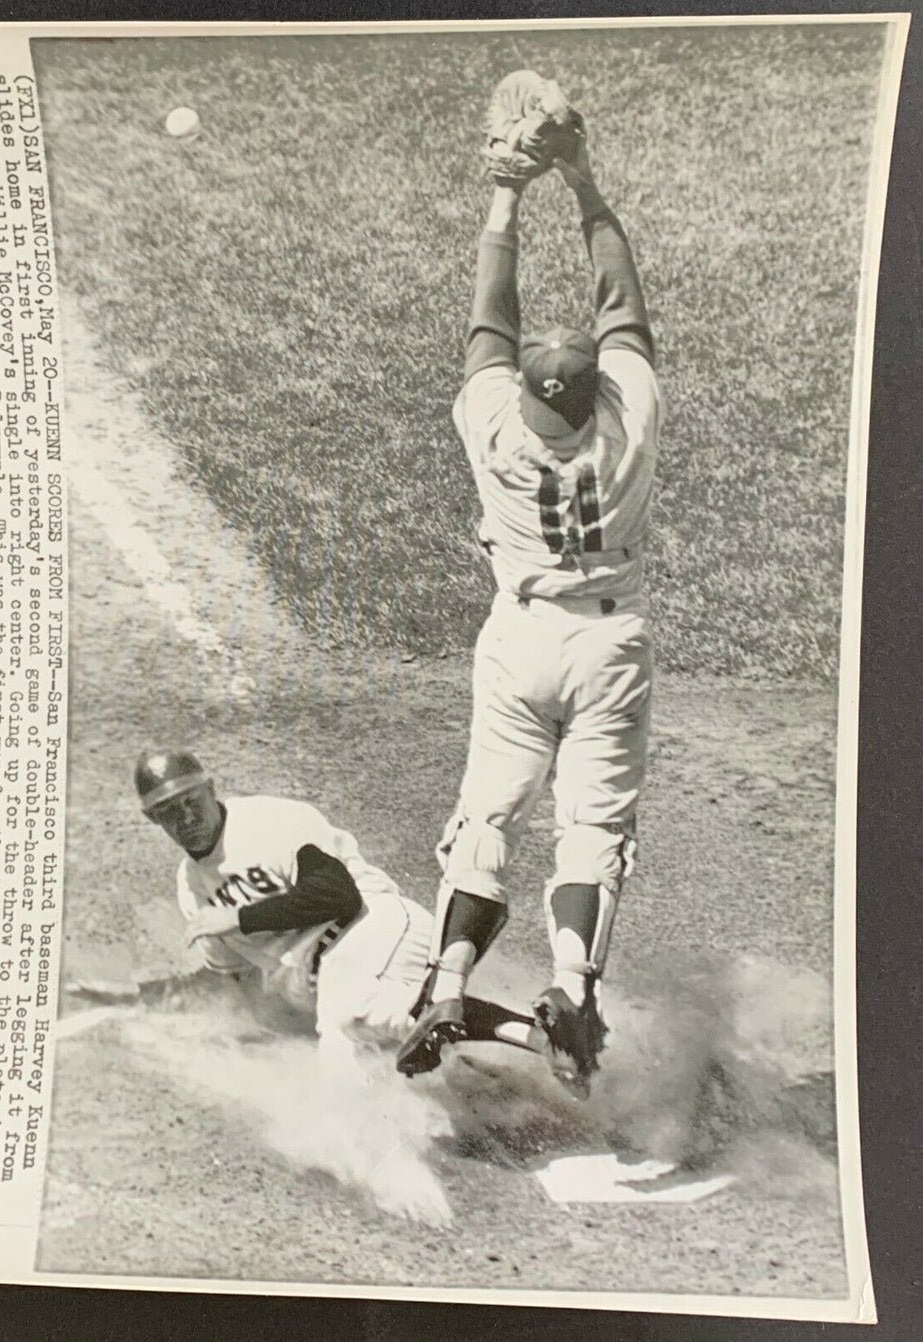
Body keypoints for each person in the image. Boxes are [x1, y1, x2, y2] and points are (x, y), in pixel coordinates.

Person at [396, 133, 660, 1094]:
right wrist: (585, 178)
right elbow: (621, 303)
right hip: (608, 640)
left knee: (487, 818)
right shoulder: (629, 415)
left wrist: (507, 193)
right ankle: (572, 989)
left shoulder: (496, 427)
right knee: (592, 832)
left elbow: (487, 322)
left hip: (518, 639)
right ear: (593, 396)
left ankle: (450, 975)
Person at [131, 748, 538, 1069]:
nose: (185, 817)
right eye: (168, 810)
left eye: (190, 800)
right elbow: (237, 981)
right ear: (153, 819)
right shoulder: (191, 889)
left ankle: (533, 1041)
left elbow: (337, 894)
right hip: (332, 978)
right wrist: (159, 995)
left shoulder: (268, 822)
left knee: (348, 1032)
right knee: (385, 1044)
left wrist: (238, 918)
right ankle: (543, 1042)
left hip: (371, 926)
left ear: (210, 788)